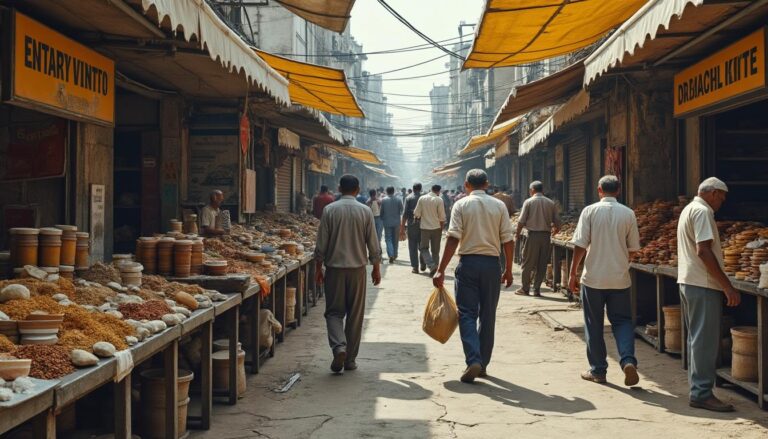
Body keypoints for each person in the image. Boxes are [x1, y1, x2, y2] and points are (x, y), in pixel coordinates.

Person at [433, 169, 514, 383]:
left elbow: (452, 238)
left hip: (468, 263)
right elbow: (508, 239)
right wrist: (508, 269)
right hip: (491, 265)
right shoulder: (499, 206)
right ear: (486, 184)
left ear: (466, 185)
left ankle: (473, 360)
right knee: (488, 315)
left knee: (467, 313)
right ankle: (482, 364)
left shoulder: (461, 204)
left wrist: (441, 269)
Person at [568, 176, 641, 387]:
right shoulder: (628, 214)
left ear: (599, 190)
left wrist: (573, 273)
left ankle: (598, 370)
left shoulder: (589, 211)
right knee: (622, 321)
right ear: (618, 190)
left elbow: (580, 245)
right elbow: (633, 250)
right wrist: (620, 262)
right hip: (619, 279)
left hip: (593, 279)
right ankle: (627, 360)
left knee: (594, 324)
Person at [677, 177, 740, 412]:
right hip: (702, 284)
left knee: (697, 339)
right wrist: (727, 286)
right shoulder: (702, 212)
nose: (722, 202)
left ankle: (699, 389)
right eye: (721, 196)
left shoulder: (688, 210)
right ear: (712, 193)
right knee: (704, 341)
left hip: (689, 281)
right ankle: (702, 393)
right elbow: (703, 251)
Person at [315, 175, 382, 373]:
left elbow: (321, 243)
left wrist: (318, 268)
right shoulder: (365, 211)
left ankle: (339, 347)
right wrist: (376, 268)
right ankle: (350, 360)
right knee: (355, 314)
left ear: (339, 188)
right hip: (357, 270)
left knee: (334, 312)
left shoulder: (329, 210)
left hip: (334, 269)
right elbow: (373, 242)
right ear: (358, 189)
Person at [515, 181, 560, 297]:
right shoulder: (551, 203)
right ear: (542, 190)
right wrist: (554, 231)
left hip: (532, 236)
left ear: (532, 190)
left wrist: (517, 234)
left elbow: (521, 221)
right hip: (546, 237)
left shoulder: (529, 202)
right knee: (542, 264)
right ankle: (536, 290)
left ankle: (525, 289)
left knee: (527, 263)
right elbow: (558, 223)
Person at [414, 184, 446, 276]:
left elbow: (417, 214)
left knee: (423, 248)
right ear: (439, 191)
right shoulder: (439, 200)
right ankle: (435, 269)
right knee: (435, 250)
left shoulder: (422, 198)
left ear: (430, 189)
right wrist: (441, 228)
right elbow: (442, 217)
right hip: (436, 228)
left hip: (424, 228)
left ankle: (431, 266)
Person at [401, 183, 425, 274]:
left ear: (413, 189)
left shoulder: (409, 198)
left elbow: (405, 214)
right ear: (421, 188)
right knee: (423, 245)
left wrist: (402, 228)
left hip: (412, 225)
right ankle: (423, 263)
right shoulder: (425, 198)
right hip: (424, 225)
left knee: (412, 246)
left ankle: (415, 267)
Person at [380, 186, 404, 263]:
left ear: (387, 191)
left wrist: (382, 218)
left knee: (388, 239)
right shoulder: (398, 200)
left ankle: (391, 254)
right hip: (396, 222)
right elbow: (402, 210)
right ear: (393, 191)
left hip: (387, 222)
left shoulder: (383, 200)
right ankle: (395, 254)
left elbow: (381, 212)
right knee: (395, 239)